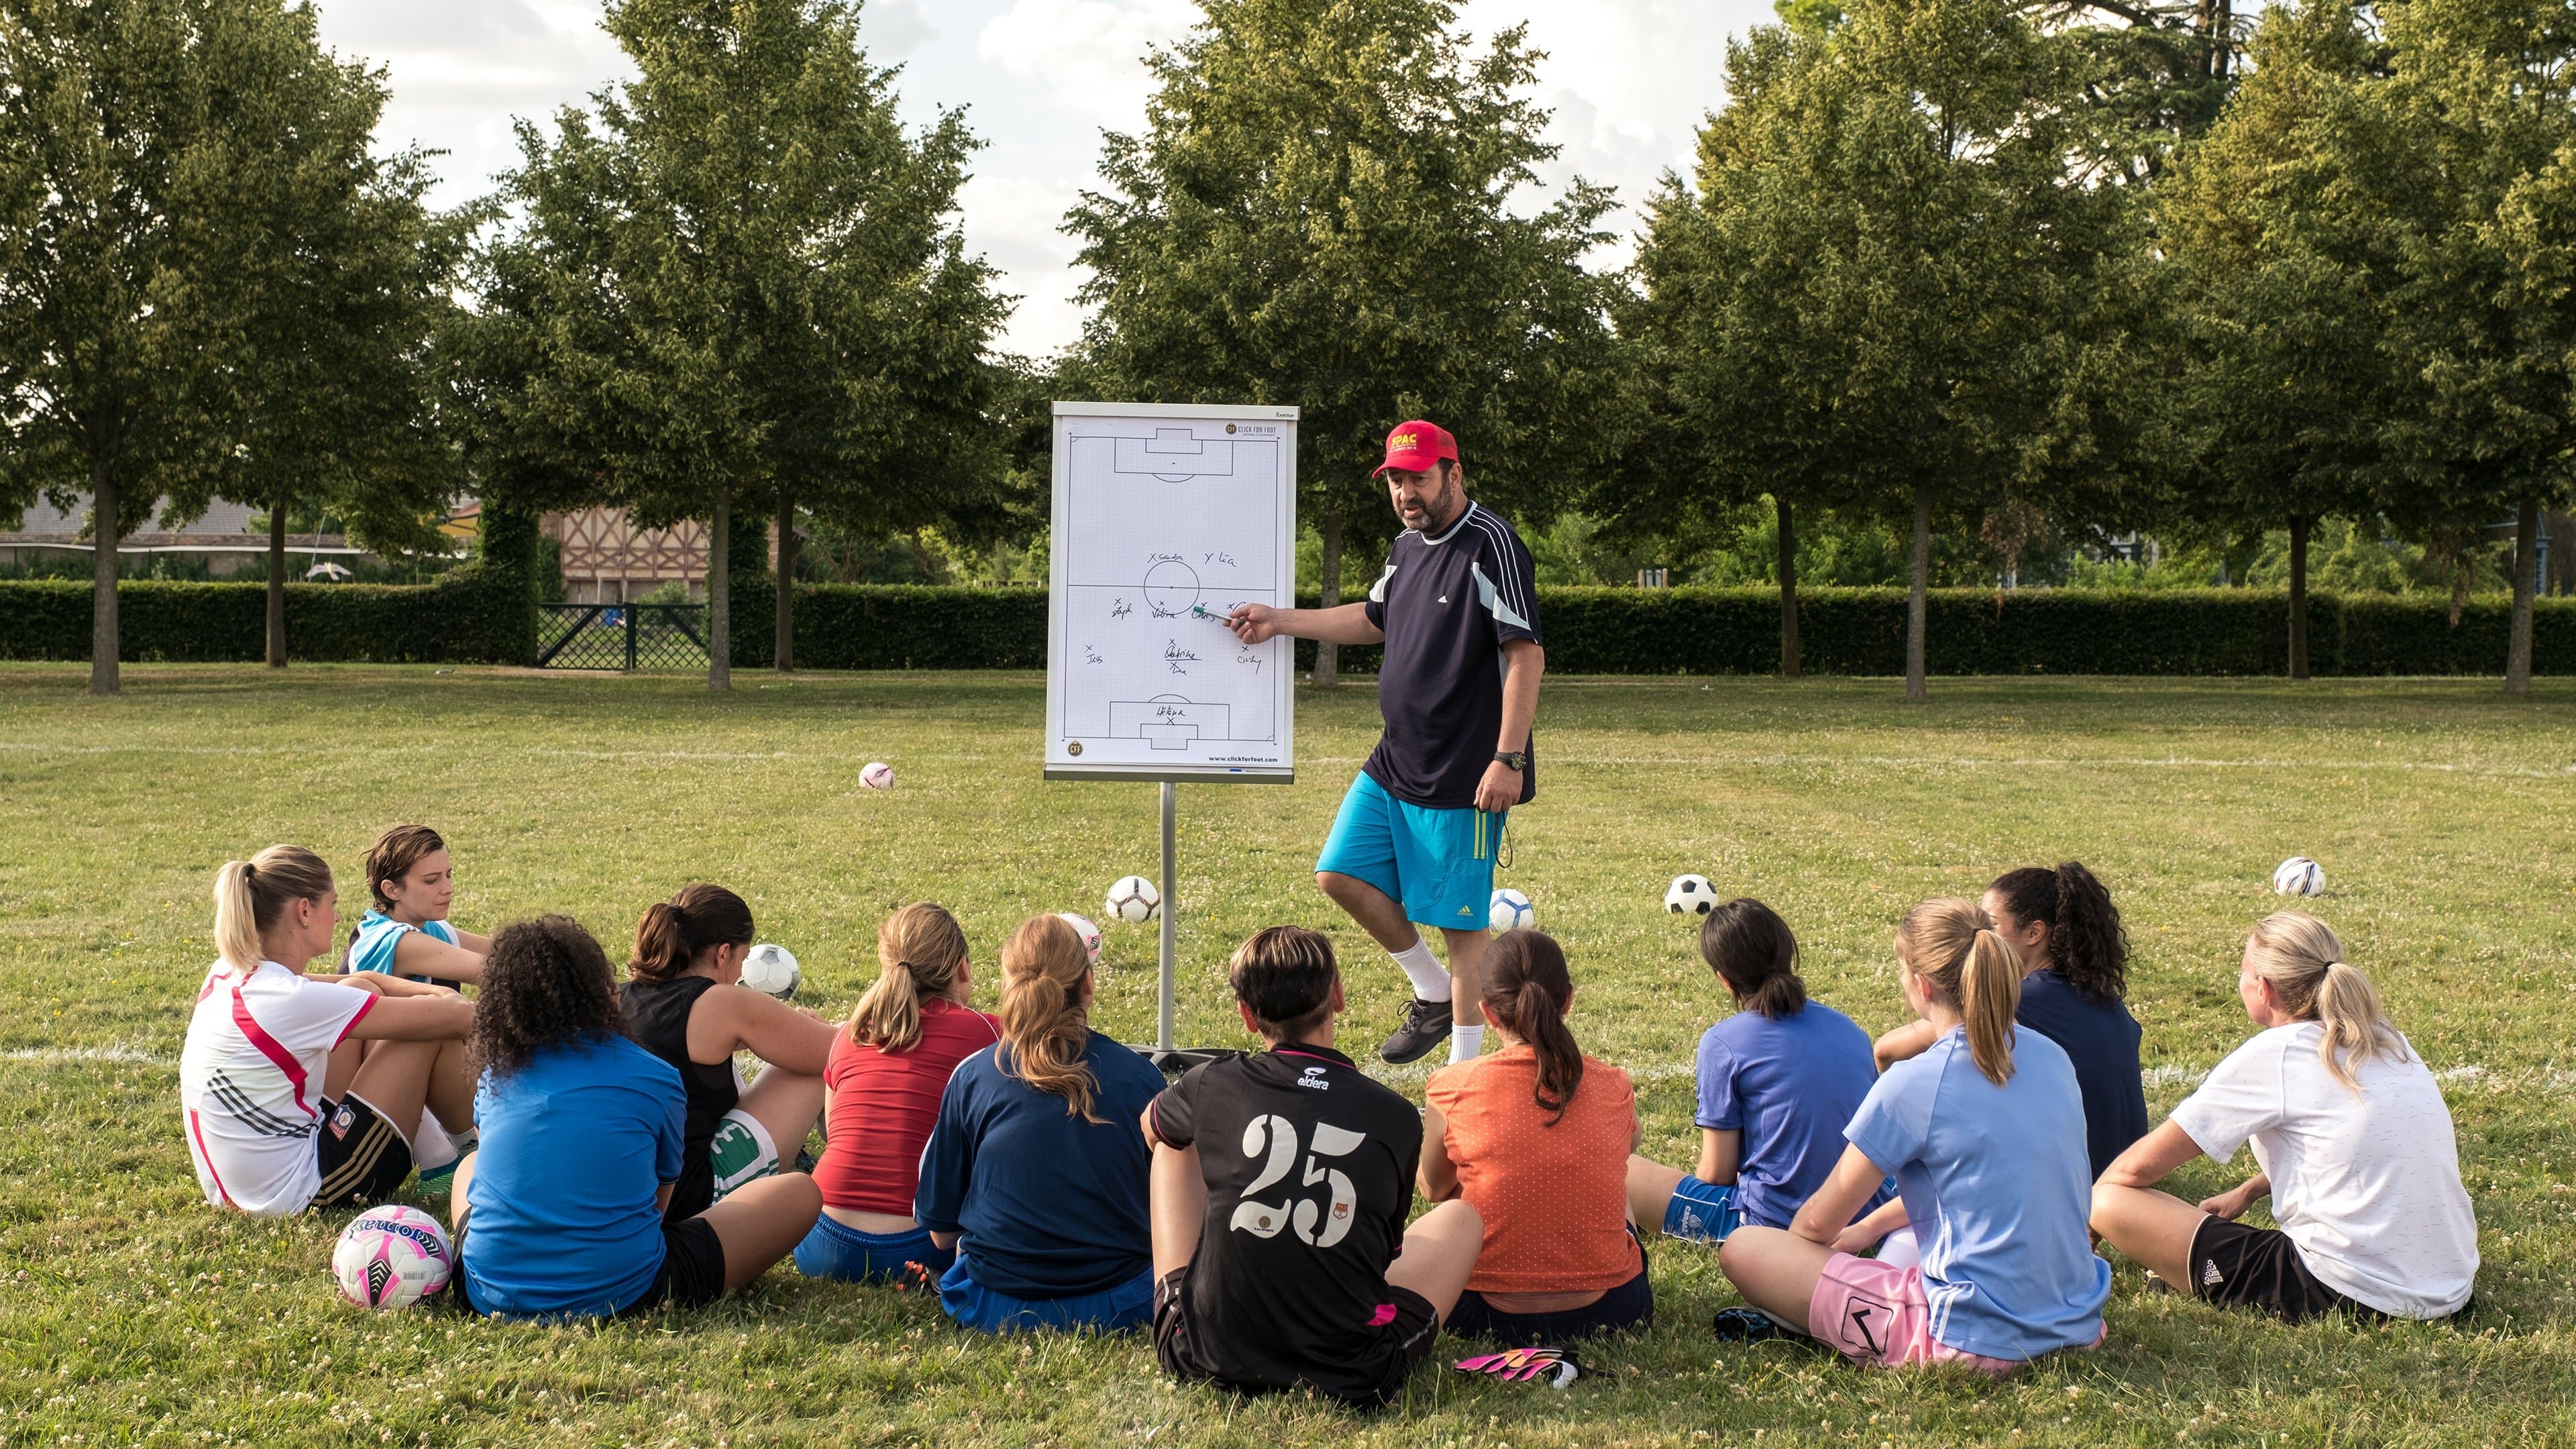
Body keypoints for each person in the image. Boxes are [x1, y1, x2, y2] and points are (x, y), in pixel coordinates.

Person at [1223, 419, 1545, 1065]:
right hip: (1396, 759)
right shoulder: (1405, 546)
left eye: (1418, 478)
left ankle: (1464, 1073)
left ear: (1454, 475)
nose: (1405, 492)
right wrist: (1278, 620)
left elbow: (1525, 654)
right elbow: (1374, 618)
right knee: (1338, 873)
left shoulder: (1492, 543)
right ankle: (1429, 991)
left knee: (1462, 929)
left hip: (1466, 775)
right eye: (1396, 479)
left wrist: (1506, 759)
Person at [1718, 899, 2109, 1373]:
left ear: (1922, 985)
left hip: (1970, 1343)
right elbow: (1985, 1182)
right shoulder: (2053, 1057)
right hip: (2079, 1325)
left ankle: (1833, 1328)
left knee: (1746, 1250)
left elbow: (1817, 1225)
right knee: (1896, 1243)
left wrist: (1799, 1262)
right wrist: (1867, 1228)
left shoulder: (1915, 1082)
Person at [1144, 925, 1484, 1405]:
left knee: (1170, 1139)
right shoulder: (1395, 1116)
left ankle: (1218, 1288)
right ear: (1338, 995)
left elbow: (1150, 1126)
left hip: (1202, 1352)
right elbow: (1384, 1252)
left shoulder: (1210, 1084)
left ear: (1246, 1015)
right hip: (1352, 1373)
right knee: (1462, 1218)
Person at [2090, 912, 2477, 1322]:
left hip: (2349, 1294)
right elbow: (2354, 1148)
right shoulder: (2386, 1039)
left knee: (2108, 1200)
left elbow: (2133, 1171)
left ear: (2264, 987)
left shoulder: (2277, 1053)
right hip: (2449, 1286)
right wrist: (2249, 1190)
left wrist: (2089, 1231)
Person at [451, 916, 820, 1320]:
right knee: (800, 1193)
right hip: (626, 1291)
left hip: (485, 1293)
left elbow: (494, 1168)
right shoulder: (654, 1075)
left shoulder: (495, 1076)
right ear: (601, 988)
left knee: (468, 1165)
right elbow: (659, 1205)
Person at [179, 845, 476, 1216]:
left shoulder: (229, 970)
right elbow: (454, 1018)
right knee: (425, 1032)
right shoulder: (290, 1000)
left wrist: (441, 997)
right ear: (304, 911)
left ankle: (442, 1157)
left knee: (361, 992)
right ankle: (476, 1158)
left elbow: (361, 979)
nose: (338, 918)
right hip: (302, 1192)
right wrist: (453, 1004)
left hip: (246, 1186)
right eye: (332, 905)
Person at [914, 914, 1168, 1332]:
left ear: (1008, 984)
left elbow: (941, 1235)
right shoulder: (1141, 1077)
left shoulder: (973, 1076)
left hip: (991, 1303)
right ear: (1088, 984)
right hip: (1121, 1300)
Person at [1421, 930, 1650, 1342]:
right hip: (1615, 1307)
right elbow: (1630, 1147)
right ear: (1568, 1000)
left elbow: (1435, 1188)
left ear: (1488, 1013)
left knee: (1460, 1196)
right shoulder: (1613, 1083)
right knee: (1619, 1177)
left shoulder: (1451, 1086)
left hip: (1481, 1313)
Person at [1627, 898, 1889, 1246]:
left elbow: (1718, 1173)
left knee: (1622, 1171)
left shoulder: (1723, 1043)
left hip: (1774, 1225)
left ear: (1724, 978)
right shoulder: (1849, 1030)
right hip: (1865, 1210)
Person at [1877, 862, 2145, 1181]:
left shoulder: (2022, 999)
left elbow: (1888, 1052)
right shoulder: (2098, 990)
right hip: (2130, 1165)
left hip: (2082, 1178)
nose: (1978, 939)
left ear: (2034, 933)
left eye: (1990, 927)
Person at [798, 903, 1001, 1284]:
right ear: (962, 968)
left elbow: (831, 1133)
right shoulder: (987, 1033)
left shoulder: (849, 1034)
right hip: (920, 1246)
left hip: (820, 1242)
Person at [621, 884, 834, 1222]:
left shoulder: (623, 996)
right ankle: (851, 1176)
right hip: (692, 1195)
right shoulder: (721, 1002)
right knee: (814, 1068)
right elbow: (837, 1050)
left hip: (631, 1195)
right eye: (743, 959)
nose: (739, 973)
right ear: (723, 953)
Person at [341, 824, 490, 989]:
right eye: (431, 880)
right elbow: (502, 972)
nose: (449, 889)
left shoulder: (431, 929)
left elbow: (503, 951)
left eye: (448, 875)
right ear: (392, 890)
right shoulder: (397, 942)